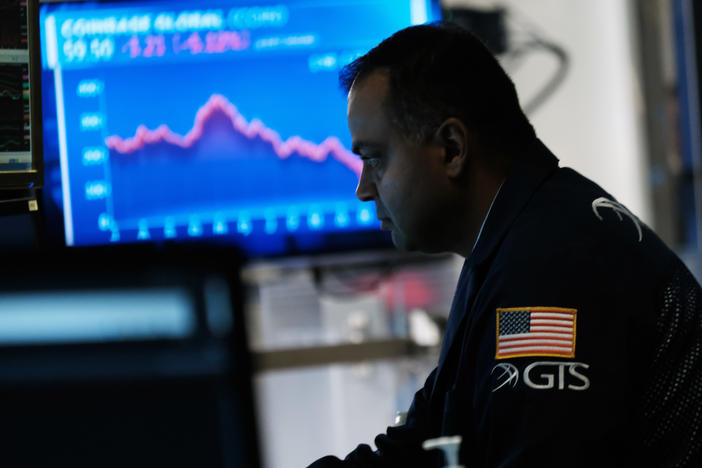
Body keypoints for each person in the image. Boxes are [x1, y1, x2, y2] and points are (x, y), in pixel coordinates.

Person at [308, 22, 702, 467]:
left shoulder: (550, 268)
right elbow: (420, 445)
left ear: (452, 148)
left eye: (375, 157)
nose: (363, 188)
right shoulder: (515, 241)